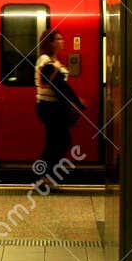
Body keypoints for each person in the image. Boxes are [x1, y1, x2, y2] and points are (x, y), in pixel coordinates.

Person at [35, 29, 84, 188]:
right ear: (50, 42)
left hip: (53, 107)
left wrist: (75, 102)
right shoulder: (45, 60)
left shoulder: (54, 61)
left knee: (56, 142)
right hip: (49, 107)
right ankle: (42, 177)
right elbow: (54, 84)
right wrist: (75, 102)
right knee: (59, 142)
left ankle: (43, 177)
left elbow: (61, 85)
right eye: (58, 38)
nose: (62, 41)